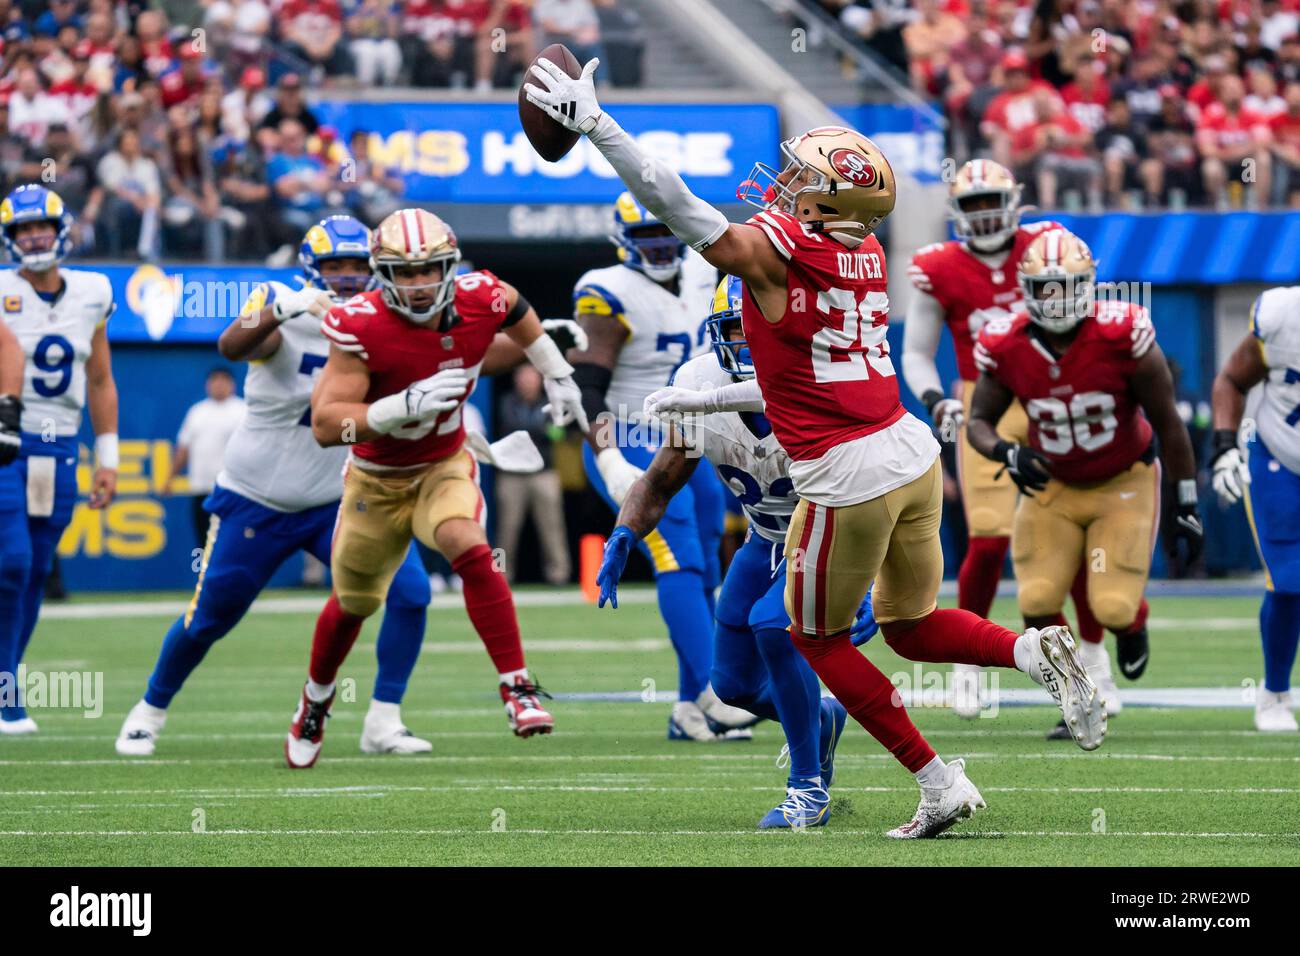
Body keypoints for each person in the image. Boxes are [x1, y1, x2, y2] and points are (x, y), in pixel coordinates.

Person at [526, 61, 1107, 838]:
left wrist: (600, 126)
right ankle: (1034, 652)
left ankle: (937, 781)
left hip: (846, 470)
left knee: (810, 637)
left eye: (800, 177)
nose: (783, 184)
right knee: (910, 623)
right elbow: (797, 375)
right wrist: (703, 399)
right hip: (905, 451)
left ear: (829, 199)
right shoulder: (860, 251)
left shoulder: (778, 256)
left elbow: (674, 201)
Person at [116, 216, 439, 756]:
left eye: (357, 266)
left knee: (412, 592)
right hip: (257, 497)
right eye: (334, 266)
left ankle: (384, 718)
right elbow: (231, 345)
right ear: (313, 269)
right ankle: (148, 709)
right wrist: (282, 309)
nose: (346, 277)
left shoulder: (388, 319)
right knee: (209, 619)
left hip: (340, 497)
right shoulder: (280, 303)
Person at [288, 208, 583, 767]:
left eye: (430, 271)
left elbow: (516, 308)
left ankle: (517, 687)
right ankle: (316, 699)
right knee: (352, 604)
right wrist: (396, 409)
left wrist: (555, 370)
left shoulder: (479, 295)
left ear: (449, 267)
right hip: (376, 480)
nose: (419, 285)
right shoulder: (361, 325)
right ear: (384, 274)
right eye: (405, 273)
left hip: (444, 464)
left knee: (468, 545)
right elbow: (329, 426)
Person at [598, 276, 880, 830]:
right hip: (765, 538)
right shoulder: (699, 383)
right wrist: (624, 533)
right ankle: (820, 718)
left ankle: (807, 789)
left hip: (834, 530)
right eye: (739, 331)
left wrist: (874, 577)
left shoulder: (827, 381)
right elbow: (659, 482)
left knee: (773, 626)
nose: (750, 345)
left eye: (762, 331)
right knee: (730, 685)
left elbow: (883, 490)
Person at [904, 160, 1117, 727]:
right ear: (956, 212)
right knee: (991, 540)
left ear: (1014, 199)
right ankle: (968, 667)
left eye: (989, 200)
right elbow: (917, 351)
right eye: (970, 204)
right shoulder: (941, 267)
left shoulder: (1049, 245)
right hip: (985, 402)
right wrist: (935, 401)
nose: (982, 213)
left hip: (1053, 393)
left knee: (1070, 534)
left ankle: (1095, 664)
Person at [967, 228, 1204, 737]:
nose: (1055, 301)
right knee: (1035, 601)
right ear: (1025, 291)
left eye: (1066, 286)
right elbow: (978, 422)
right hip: (1053, 485)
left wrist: (1186, 501)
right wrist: (1008, 451)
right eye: (1043, 289)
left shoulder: (1122, 333)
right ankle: (1081, 690)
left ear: (1089, 284)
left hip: (1123, 479)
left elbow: (1168, 422)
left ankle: (1133, 625)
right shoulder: (1005, 343)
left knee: (1112, 607)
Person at [565, 192, 748, 741]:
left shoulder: (705, 269)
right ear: (624, 241)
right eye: (647, 236)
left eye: (666, 231)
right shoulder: (607, 291)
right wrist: (607, 454)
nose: (662, 243)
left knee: (712, 565)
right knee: (682, 560)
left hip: (691, 433)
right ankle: (712, 691)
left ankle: (687, 707)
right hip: (628, 435)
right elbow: (588, 385)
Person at [0, 184, 119, 735]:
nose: (33, 236)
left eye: (39, 226)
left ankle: (8, 680)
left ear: (61, 228)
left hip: (59, 444)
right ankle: (6, 692)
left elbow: (99, 377)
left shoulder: (93, 291)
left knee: (35, 571)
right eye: (23, 230)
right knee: (13, 561)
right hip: (6, 439)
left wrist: (109, 456)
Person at [1209, 287, 1300, 732]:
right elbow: (1231, 379)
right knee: (1288, 581)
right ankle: (1274, 693)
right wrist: (1225, 446)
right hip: (1279, 457)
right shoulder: (1282, 315)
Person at [495, 364, 570, 586]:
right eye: (523, 380)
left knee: (552, 526)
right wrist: (540, 429)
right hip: (511, 475)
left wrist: (538, 430)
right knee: (506, 528)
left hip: (543, 473)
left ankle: (560, 574)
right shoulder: (506, 402)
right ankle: (499, 575)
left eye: (531, 380)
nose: (527, 384)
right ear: (517, 382)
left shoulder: (550, 404)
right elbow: (512, 428)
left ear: (539, 382)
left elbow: (559, 434)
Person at [163, 367, 246, 551]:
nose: (218, 384)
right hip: (200, 488)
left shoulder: (242, 410)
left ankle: (231, 579)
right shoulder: (197, 411)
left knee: (231, 540)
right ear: (207, 384)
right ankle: (203, 578)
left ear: (232, 384)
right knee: (202, 541)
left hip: (232, 489)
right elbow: (184, 449)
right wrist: (170, 478)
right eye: (214, 380)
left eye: (223, 380)